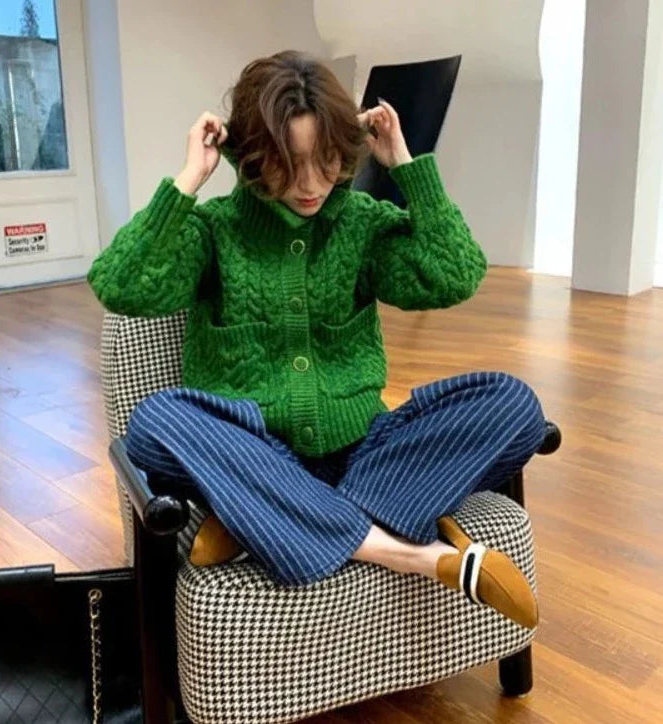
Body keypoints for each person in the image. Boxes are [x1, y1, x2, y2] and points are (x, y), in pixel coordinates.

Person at [86, 50, 546, 630]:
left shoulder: (360, 223)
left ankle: (260, 519)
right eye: (288, 164)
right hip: (257, 451)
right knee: (156, 424)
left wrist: (407, 166)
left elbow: (455, 273)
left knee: (513, 405)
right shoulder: (214, 231)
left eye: (327, 160)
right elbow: (120, 284)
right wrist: (189, 178)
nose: (311, 185)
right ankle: (414, 553)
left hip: (364, 450)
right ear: (251, 158)